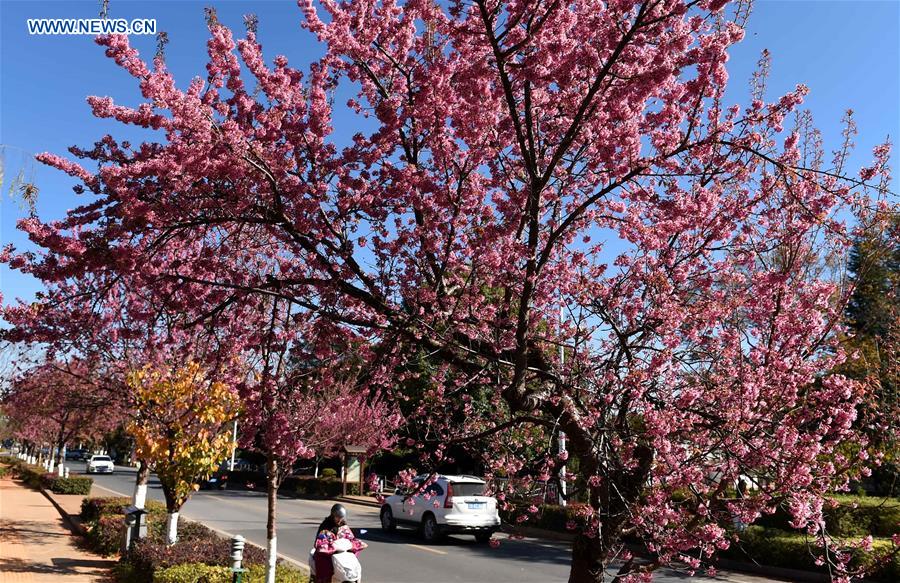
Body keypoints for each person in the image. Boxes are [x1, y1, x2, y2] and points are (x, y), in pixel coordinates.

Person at [312, 504, 367, 583]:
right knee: (325, 567)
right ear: (333, 515)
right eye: (337, 517)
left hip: (341, 552)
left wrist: (354, 542)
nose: (339, 520)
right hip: (328, 552)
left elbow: (349, 536)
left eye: (341, 517)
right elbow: (321, 539)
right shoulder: (325, 525)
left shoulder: (343, 525)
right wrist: (327, 544)